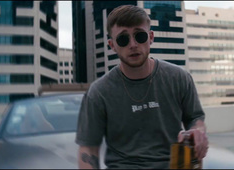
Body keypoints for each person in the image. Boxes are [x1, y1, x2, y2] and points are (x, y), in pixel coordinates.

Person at [75, 5, 208, 169]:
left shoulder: (179, 78)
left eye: (140, 36)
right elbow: (88, 148)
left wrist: (197, 131)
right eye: (123, 39)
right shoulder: (99, 93)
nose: (133, 44)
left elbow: (195, 118)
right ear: (112, 45)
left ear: (151, 37)